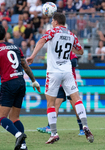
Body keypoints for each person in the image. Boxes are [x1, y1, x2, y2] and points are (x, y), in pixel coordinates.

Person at [26, 12, 94, 144]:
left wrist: (33, 55)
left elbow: (41, 40)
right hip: (67, 71)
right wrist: (69, 49)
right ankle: (85, 125)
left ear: (56, 22)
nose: (51, 22)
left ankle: (54, 133)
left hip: (53, 72)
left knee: (51, 103)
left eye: (52, 21)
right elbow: (80, 51)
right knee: (76, 99)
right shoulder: (71, 35)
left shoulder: (52, 32)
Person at [0, 25, 40, 150]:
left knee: (0, 118)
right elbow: (25, 66)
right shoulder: (15, 47)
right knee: (15, 118)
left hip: (9, 84)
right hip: (21, 82)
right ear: (5, 34)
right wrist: (34, 80)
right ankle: (23, 146)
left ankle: (18, 135)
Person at [37, 51, 84, 136]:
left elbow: (74, 62)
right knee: (55, 104)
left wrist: (62, 63)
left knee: (75, 106)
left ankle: (82, 128)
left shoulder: (69, 52)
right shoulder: (56, 54)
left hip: (69, 83)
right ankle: (49, 127)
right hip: (60, 84)